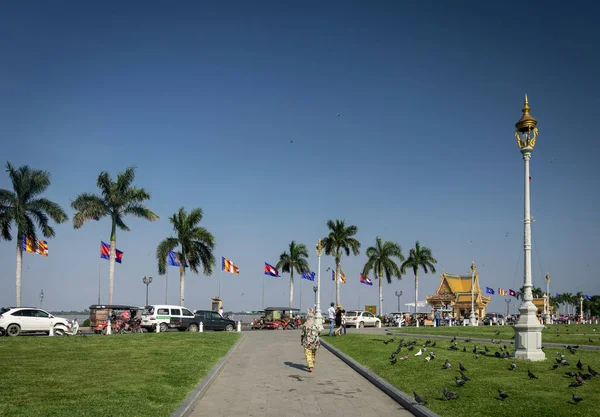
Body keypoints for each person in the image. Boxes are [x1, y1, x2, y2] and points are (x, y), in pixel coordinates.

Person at [301, 308, 321, 372]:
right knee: (313, 353)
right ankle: (312, 363)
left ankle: (310, 365)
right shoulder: (316, 324)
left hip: (307, 341)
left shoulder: (305, 324)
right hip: (315, 342)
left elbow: (302, 334)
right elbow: (319, 332)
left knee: (308, 353)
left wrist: (302, 340)